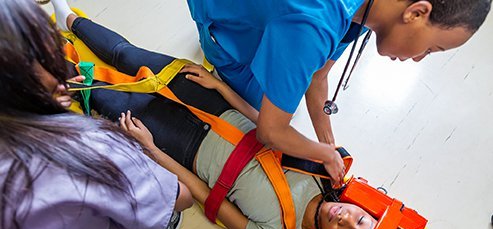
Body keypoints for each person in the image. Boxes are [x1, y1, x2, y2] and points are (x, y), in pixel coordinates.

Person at [47, 2, 413, 229]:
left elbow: (206, 195)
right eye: (361, 219)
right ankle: (65, 15)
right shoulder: (320, 174)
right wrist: (219, 86)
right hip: (213, 104)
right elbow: (263, 124)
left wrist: (150, 150)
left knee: (103, 95)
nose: (346, 220)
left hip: (180, 145)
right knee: (127, 56)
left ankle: (42, 60)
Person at [0, 1, 193, 229]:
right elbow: (183, 196)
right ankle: (71, 20)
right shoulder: (88, 150)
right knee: (124, 59)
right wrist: (144, 150)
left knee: (124, 61)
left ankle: (70, 19)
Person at [185, 0, 492, 187]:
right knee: (242, 112)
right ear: (416, 12)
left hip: (287, 25)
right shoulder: (312, 25)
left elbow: (317, 77)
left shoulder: (369, 10)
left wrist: (326, 141)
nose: (419, 58)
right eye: (430, 48)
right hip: (223, 17)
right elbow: (269, 131)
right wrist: (323, 154)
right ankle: (217, 45)